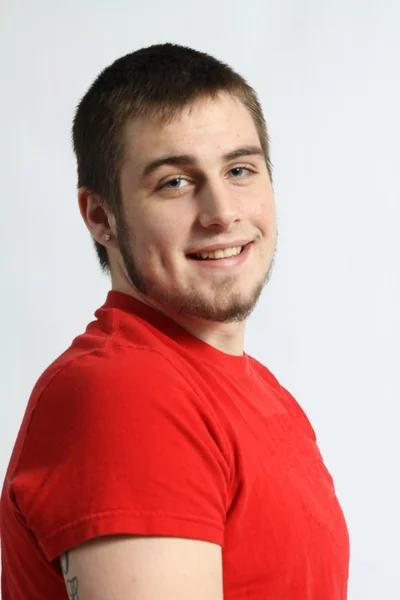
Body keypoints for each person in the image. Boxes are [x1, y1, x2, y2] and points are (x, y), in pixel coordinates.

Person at [0, 43, 349, 599]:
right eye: (174, 182)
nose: (222, 212)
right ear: (100, 216)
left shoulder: (258, 395)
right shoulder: (128, 393)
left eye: (239, 169)